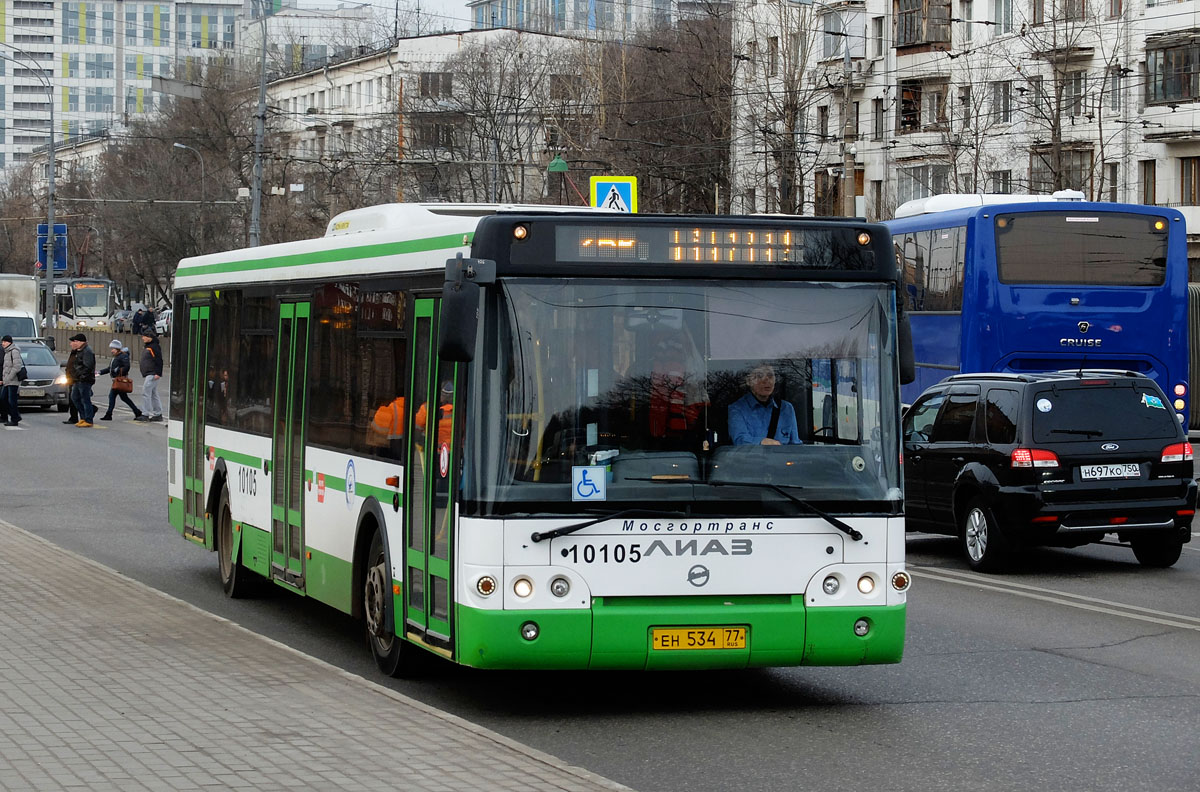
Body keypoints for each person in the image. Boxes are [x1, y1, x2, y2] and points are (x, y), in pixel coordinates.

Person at [727, 362, 802, 446]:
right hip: (751, 458)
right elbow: (739, 440)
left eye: (770, 376)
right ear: (748, 381)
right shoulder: (737, 408)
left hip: (781, 458)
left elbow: (795, 443)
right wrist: (761, 442)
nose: (766, 380)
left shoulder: (786, 408)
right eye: (759, 376)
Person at [98, 339, 143, 421]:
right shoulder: (116, 357)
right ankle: (137, 412)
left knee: (112, 397)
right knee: (124, 398)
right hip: (116, 381)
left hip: (119, 381)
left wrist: (117, 370)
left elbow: (127, 367)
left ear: (117, 349)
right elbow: (110, 368)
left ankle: (109, 414)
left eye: (113, 349)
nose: (111, 351)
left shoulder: (123, 356)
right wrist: (100, 372)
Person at [67, 333, 97, 427]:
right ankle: (83, 418)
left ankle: (88, 420)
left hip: (84, 380)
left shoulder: (87, 351)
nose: (73, 343)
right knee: (74, 397)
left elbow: (88, 366)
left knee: (85, 400)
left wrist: (81, 376)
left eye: (75, 341)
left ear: (80, 342)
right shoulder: (79, 351)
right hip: (77, 379)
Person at [135, 329, 164, 422]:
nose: (143, 338)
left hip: (152, 373)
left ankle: (145, 413)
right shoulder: (149, 346)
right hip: (151, 373)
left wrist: (158, 373)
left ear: (149, 337)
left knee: (146, 393)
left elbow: (159, 360)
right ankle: (158, 413)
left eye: (144, 336)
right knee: (153, 393)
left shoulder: (153, 347)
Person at [1, 335, 22, 428]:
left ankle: (14, 419)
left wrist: (9, 377)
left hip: (13, 381)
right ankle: (13, 416)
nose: (3, 343)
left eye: (4, 342)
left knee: (11, 400)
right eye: (2, 342)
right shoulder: (7, 352)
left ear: (9, 342)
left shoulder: (14, 351)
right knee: (3, 398)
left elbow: (17, 366)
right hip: (7, 380)